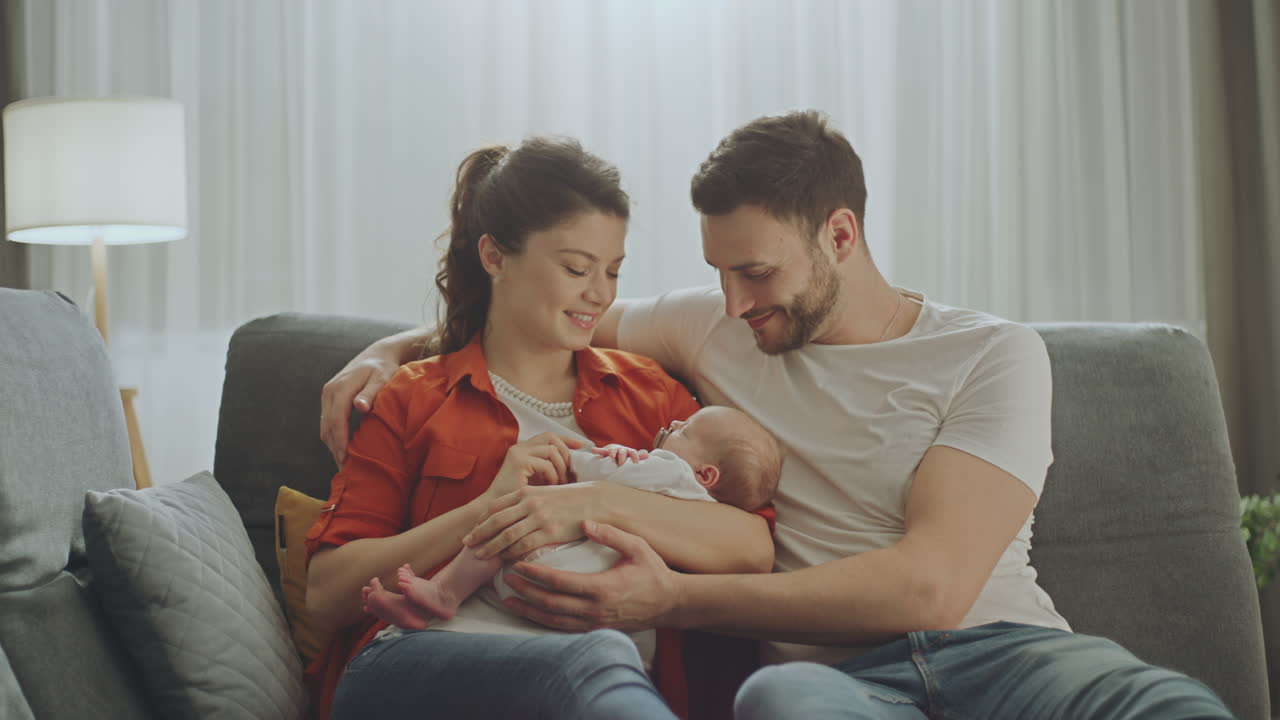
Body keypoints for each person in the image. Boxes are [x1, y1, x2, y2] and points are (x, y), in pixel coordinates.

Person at [320, 111, 1233, 719]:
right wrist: (386, 351)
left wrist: (668, 593)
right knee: (777, 705)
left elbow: (928, 587)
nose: (732, 300)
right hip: (833, 685)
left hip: (1008, 651)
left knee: (1174, 709)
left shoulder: (993, 354)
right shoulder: (717, 329)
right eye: (717, 270)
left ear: (840, 236)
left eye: (754, 272)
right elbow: (538, 310)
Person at [304, 136, 775, 720]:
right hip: (418, 666)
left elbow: (752, 548)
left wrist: (590, 502)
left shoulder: (652, 397)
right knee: (598, 655)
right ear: (495, 257)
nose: (599, 294)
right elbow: (325, 596)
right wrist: (489, 509)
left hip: (589, 689)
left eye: (612, 271)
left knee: (597, 656)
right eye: (576, 268)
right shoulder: (413, 396)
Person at [363, 406, 783, 630]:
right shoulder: (698, 511)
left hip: (552, 561)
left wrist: (584, 459)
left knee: (499, 531)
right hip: (583, 597)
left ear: (706, 474)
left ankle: (442, 593)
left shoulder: (672, 469)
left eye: (685, 429)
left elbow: (603, 472)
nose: (671, 426)